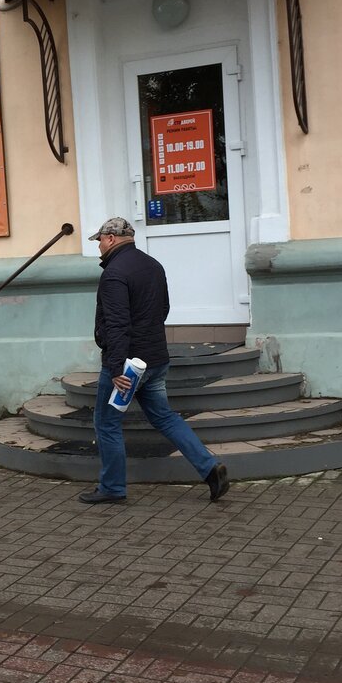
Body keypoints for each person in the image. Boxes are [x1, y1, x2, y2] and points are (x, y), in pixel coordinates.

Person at [78, 216, 230, 506]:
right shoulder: (153, 265)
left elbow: (117, 324)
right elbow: (163, 310)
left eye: (99, 240)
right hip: (156, 359)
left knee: (107, 423)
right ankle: (210, 468)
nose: (98, 246)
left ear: (110, 238)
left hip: (127, 367)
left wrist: (115, 367)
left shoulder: (113, 273)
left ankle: (112, 487)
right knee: (165, 417)